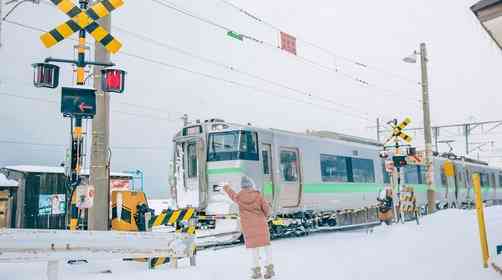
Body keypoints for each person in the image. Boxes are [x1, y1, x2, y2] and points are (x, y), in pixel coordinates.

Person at [223, 176, 275, 279]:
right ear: (251, 185)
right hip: (261, 225)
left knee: (254, 250)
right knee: (266, 248)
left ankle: (256, 272)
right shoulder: (258, 195)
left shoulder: (239, 197)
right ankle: (269, 270)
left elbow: (232, 194)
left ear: (242, 187)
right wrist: (266, 215)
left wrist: (226, 187)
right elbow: (267, 209)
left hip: (249, 227)